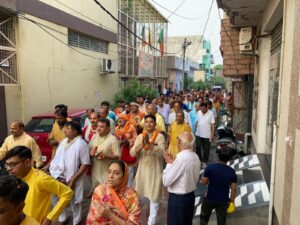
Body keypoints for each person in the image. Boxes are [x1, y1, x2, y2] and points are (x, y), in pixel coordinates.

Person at [5, 146, 73, 224]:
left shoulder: (41, 178)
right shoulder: (14, 179)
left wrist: (50, 217)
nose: (8, 169)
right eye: (7, 164)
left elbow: (67, 193)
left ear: (27, 162)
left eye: (13, 164)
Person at [49, 120, 90, 225]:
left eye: (68, 129)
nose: (65, 131)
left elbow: (85, 164)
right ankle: (63, 216)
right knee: (60, 197)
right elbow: (56, 157)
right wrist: (48, 165)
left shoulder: (81, 144)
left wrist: (74, 178)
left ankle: (76, 220)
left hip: (74, 177)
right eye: (65, 129)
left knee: (74, 200)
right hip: (60, 175)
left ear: (75, 131)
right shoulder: (64, 141)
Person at [130, 115, 165, 225]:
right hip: (142, 172)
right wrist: (141, 145)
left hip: (155, 173)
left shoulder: (160, 137)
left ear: (155, 124)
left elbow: (162, 153)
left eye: (151, 122)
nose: (149, 124)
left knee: (154, 200)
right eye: (147, 122)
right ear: (144, 124)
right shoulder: (140, 136)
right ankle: (136, 220)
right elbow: (132, 153)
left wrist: (150, 145)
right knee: (137, 198)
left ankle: (151, 223)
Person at [86, 160, 141, 225]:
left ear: (124, 176)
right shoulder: (100, 190)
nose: (111, 176)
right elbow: (92, 218)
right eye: (109, 172)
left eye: (116, 173)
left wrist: (110, 215)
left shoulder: (132, 195)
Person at [163, 132, 201, 225]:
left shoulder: (181, 159)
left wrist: (168, 164)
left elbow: (166, 181)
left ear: (179, 143)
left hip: (178, 200)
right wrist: (172, 163)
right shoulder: (195, 157)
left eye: (178, 140)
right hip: (190, 197)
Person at [200, 148, 237, 225]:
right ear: (229, 159)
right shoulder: (231, 171)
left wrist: (202, 180)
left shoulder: (210, 168)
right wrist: (232, 202)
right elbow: (233, 189)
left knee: (204, 220)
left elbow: (204, 182)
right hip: (223, 201)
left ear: (218, 157)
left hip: (210, 198)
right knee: (221, 222)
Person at [89, 118, 120, 188]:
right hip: (94, 171)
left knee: (106, 195)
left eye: (102, 127)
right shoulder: (94, 136)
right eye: (98, 126)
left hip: (107, 173)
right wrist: (91, 153)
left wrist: (106, 156)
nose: (99, 129)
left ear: (108, 128)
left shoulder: (113, 140)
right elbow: (89, 150)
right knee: (96, 193)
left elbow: (118, 156)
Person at [114, 114, 137, 187]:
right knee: (121, 169)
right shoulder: (116, 129)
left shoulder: (131, 127)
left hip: (129, 150)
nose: (120, 120)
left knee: (130, 171)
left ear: (126, 120)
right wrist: (119, 142)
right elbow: (115, 139)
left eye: (122, 118)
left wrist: (129, 141)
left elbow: (136, 138)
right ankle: (121, 186)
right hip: (120, 151)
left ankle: (129, 188)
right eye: (119, 119)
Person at [195, 102, 215, 167]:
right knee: (197, 147)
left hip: (207, 135)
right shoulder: (198, 112)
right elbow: (197, 121)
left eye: (204, 109)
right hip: (198, 134)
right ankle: (199, 160)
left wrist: (212, 134)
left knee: (206, 149)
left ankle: (204, 161)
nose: (202, 111)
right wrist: (195, 131)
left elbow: (213, 124)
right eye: (201, 109)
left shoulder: (211, 113)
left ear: (206, 108)